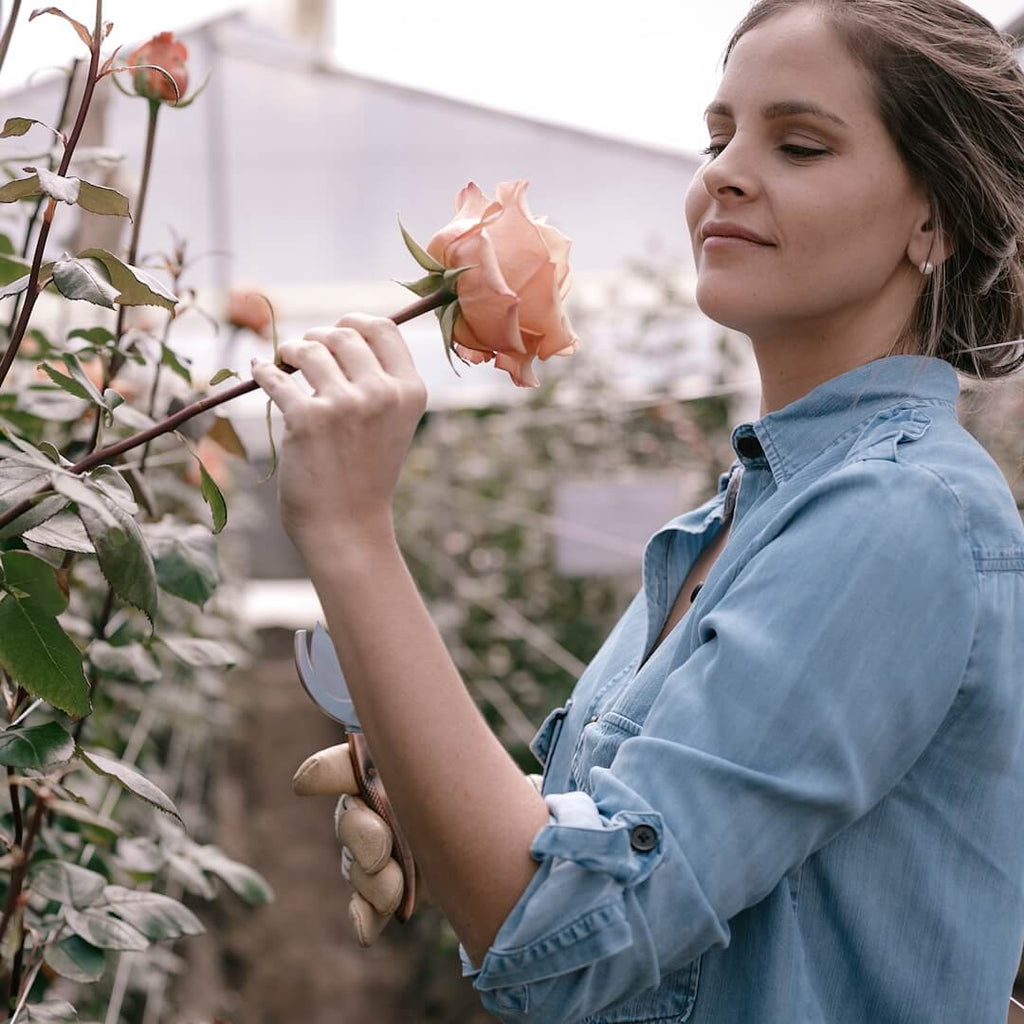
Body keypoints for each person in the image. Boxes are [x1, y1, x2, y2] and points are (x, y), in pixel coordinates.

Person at [250, 0, 1024, 1019]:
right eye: (718, 136)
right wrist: (442, 805)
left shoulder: (899, 516)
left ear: (934, 217)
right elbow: (624, 855)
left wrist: (351, 532)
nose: (724, 173)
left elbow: (561, 936)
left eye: (796, 143)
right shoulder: (749, 512)